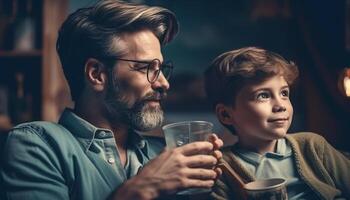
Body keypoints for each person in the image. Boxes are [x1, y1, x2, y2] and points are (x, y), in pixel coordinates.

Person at [0, 1, 223, 199]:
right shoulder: (38, 145)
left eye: (161, 68)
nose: (164, 83)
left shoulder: (165, 154)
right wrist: (141, 189)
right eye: (146, 67)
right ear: (96, 74)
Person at [204, 47, 350, 199]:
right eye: (263, 95)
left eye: (284, 93)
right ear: (226, 114)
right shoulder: (221, 169)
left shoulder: (312, 146)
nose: (281, 105)